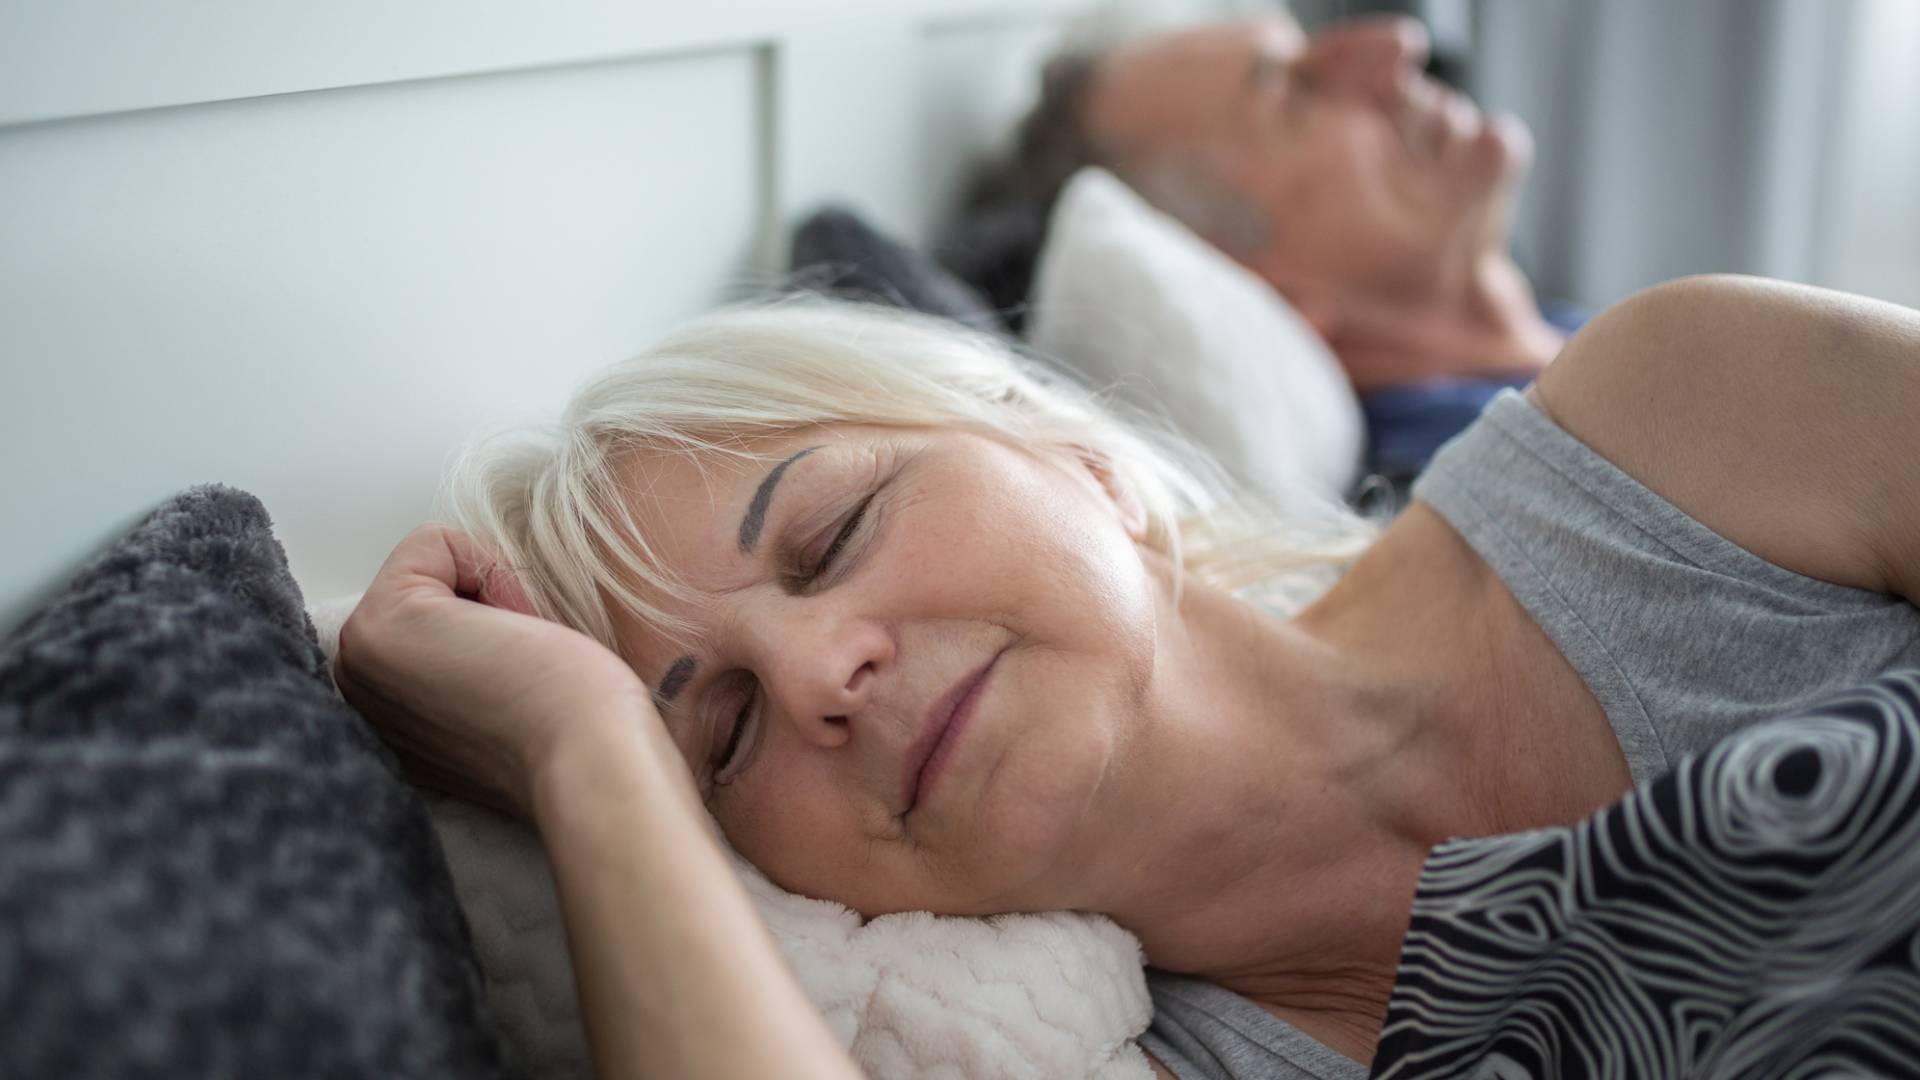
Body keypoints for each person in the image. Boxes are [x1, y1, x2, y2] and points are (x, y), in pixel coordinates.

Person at [335, 272, 1920, 1079]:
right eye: (727, 735)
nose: (822, 672)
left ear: (1074, 457)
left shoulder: (1684, 421)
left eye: (830, 536)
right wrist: (586, 751)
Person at [991, 11, 1576, 483]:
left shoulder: (1567, 351)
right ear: (1260, 287)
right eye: (1299, 93)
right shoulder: (1498, 492)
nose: (1397, 41)